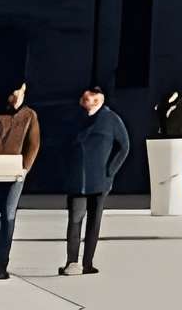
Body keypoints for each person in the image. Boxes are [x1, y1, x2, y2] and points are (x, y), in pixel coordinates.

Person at [60, 89, 129, 276]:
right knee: (75, 219)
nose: (86, 100)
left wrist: (110, 171)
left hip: (100, 181)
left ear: (99, 100)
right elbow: (63, 144)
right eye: (84, 98)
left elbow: (124, 146)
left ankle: (87, 263)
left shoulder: (111, 119)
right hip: (77, 181)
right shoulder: (74, 118)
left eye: (90, 98)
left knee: (94, 222)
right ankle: (72, 262)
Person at [0, 80, 41, 281]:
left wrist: (25, 168)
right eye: (13, 95)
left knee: (8, 215)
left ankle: (1, 264)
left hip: (15, 174)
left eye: (20, 94)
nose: (16, 99)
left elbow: (33, 144)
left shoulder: (29, 115)